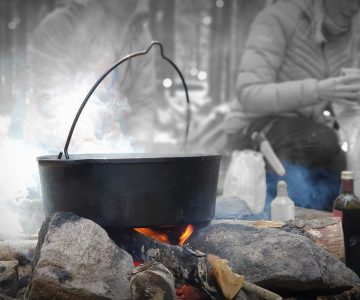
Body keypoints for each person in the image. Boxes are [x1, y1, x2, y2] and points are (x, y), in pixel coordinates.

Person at [224, 0, 360, 210]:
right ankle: (275, 216)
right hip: (254, 128)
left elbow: (332, 103)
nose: (354, 7)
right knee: (322, 142)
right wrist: (319, 90)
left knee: (338, 164)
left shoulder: (346, 34)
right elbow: (249, 93)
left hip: (307, 130)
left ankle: (324, 231)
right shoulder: (276, 20)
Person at [24, 0, 157, 154]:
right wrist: (84, 142)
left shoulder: (140, 37)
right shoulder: (58, 28)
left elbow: (141, 105)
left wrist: (139, 153)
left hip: (102, 148)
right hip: (50, 151)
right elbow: (52, 96)